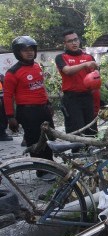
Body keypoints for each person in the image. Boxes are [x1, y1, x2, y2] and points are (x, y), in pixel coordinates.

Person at [3, 36, 55, 179]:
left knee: (49, 138)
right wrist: (10, 117)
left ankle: (51, 166)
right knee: (35, 140)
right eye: (25, 50)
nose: (29, 52)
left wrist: (48, 103)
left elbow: (41, 87)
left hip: (42, 109)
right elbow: (8, 96)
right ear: (17, 52)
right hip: (27, 111)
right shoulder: (12, 73)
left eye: (31, 49)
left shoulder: (37, 66)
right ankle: (42, 171)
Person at [55, 30, 99, 136]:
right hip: (72, 99)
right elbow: (67, 71)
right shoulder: (61, 57)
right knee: (76, 129)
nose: (74, 43)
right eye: (70, 41)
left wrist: (98, 102)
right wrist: (85, 65)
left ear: (79, 40)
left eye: (75, 40)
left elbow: (96, 79)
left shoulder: (88, 57)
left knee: (92, 129)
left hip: (88, 97)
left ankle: (93, 151)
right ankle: (76, 152)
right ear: (64, 44)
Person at [0, 74, 12, 141]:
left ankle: (2, 132)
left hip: (3, 94)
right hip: (1, 95)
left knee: (4, 114)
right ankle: (1, 134)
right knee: (2, 115)